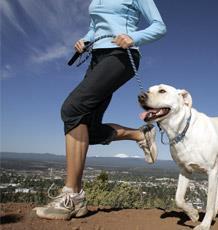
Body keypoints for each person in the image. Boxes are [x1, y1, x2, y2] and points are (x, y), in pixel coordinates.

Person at [34, 0, 166, 220]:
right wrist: (85, 40)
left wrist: (135, 37)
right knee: (89, 130)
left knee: (72, 109)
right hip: (97, 57)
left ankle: (72, 195)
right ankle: (140, 135)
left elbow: (159, 26)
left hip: (122, 55)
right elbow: (97, 26)